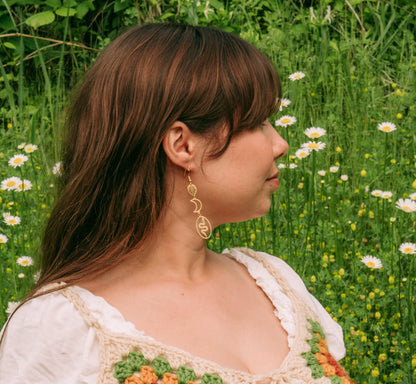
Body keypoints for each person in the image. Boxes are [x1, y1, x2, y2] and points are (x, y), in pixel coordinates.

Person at [0, 24, 354, 384]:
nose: (279, 144)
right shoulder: (62, 330)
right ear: (183, 146)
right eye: (257, 123)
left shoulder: (278, 286)